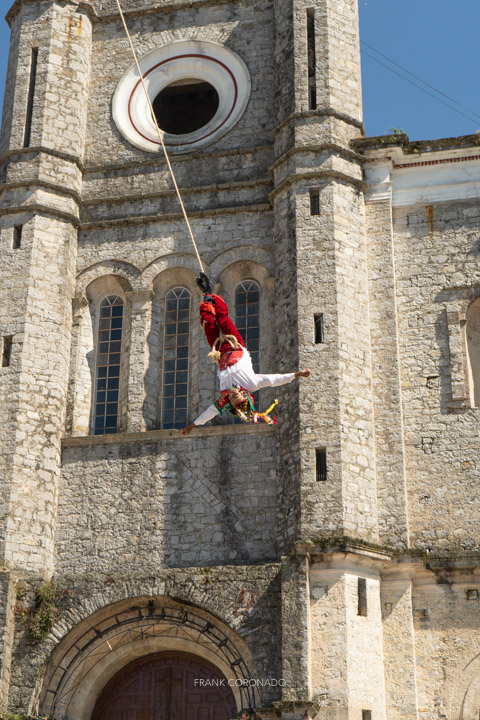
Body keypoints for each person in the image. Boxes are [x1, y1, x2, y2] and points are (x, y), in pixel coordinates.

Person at [182, 275, 311, 434]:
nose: (234, 397)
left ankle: (207, 295)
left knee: (208, 323)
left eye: (234, 401)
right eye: (238, 398)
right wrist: (296, 375)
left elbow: (210, 412)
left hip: (220, 351)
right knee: (223, 320)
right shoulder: (252, 383)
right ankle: (213, 294)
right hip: (235, 345)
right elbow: (274, 379)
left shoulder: (224, 400)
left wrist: (193, 425)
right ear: (245, 395)